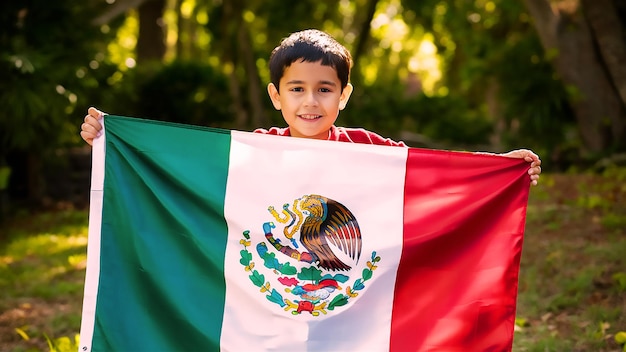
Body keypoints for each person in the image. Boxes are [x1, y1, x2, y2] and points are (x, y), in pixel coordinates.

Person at [80, 29, 541, 185]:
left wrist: (498, 169)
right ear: (276, 97)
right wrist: (111, 142)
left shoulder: (365, 146)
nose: (310, 101)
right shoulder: (255, 149)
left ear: (344, 95)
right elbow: (186, 168)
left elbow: (427, 171)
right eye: (296, 89)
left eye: (324, 89)